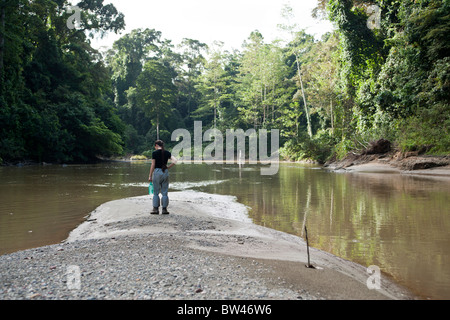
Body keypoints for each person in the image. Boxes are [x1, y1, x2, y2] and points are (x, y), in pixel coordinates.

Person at [148, 140, 177, 214]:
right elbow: (175, 161)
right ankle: (164, 209)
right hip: (165, 172)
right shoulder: (167, 152)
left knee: (156, 192)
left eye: (155, 146)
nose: (155, 147)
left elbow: (153, 165)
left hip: (157, 172)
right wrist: (168, 167)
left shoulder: (154, 153)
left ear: (157, 145)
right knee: (164, 192)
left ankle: (156, 209)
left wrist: (150, 175)